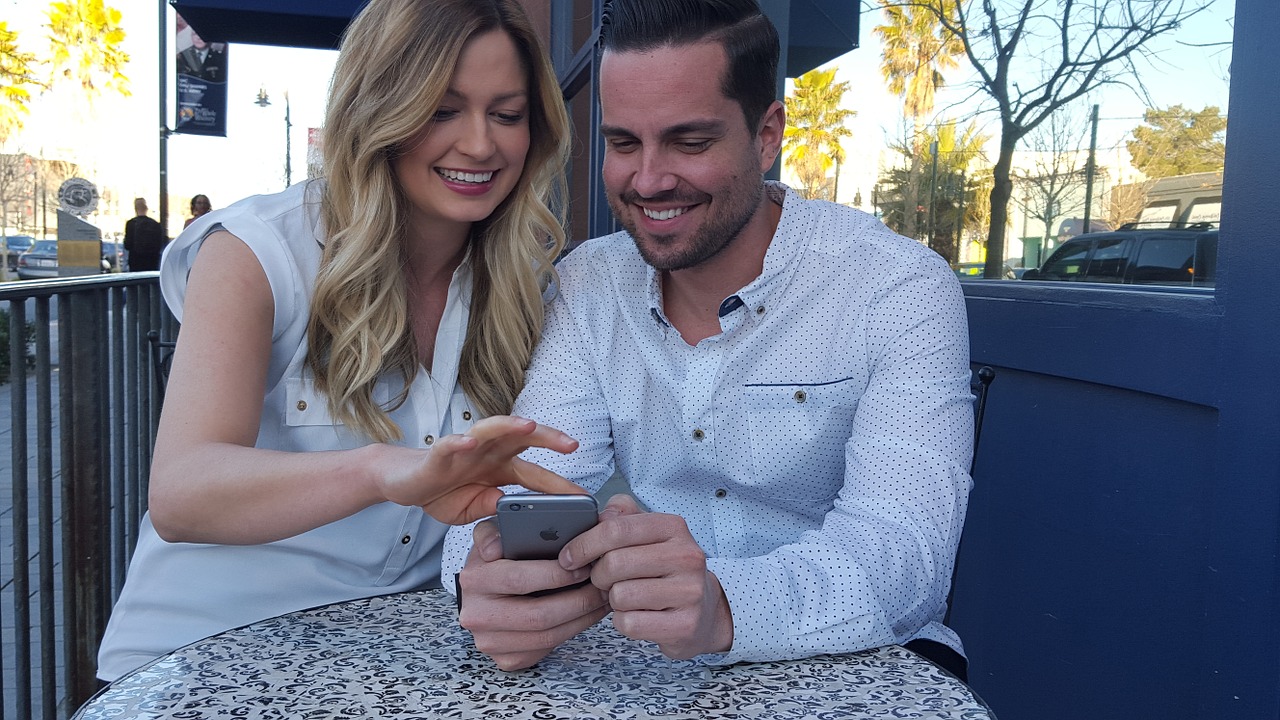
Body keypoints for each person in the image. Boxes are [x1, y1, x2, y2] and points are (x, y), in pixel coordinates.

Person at [444, 0, 975, 681]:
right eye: (624, 143)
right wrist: (484, 579)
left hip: (866, 663)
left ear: (767, 135)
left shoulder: (895, 286)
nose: (648, 180)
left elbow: (907, 555)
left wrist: (726, 604)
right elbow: (519, 495)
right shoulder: (588, 285)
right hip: (657, 665)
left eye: (690, 143)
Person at [97, 0, 578, 681]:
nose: (480, 144)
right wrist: (382, 472)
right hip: (197, 658)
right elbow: (180, 493)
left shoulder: (531, 286)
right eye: (442, 110)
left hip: (402, 667)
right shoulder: (256, 252)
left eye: (507, 114)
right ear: (377, 110)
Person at [122, 197, 166, 271]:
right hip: (152, 262)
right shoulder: (155, 224)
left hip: (135, 262)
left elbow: (127, 245)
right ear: (146, 208)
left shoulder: (131, 224)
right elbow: (160, 244)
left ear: (135, 209)